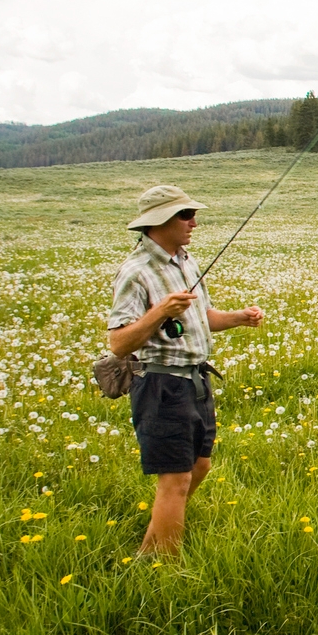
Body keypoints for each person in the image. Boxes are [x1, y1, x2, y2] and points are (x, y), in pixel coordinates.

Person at [107, 184, 265, 557]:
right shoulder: (137, 271)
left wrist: (239, 318)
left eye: (192, 214)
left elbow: (202, 317)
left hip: (195, 380)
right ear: (159, 221)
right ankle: (168, 568)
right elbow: (118, 343)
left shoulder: (185, 261)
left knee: (199, 467)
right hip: (161, 384)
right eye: (185, 215)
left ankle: (151, 548)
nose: (194, 222)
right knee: (175, 479)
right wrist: (160, 311)